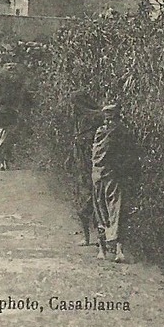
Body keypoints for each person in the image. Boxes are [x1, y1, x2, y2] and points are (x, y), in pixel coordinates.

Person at [90, 100, 132, 262]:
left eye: (111, 118)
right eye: (107, 118)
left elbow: (128, 155)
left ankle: (118, 250)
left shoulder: (120, 133)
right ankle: (103, 249)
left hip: (113, 176)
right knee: (103, 211)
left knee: (116, 210)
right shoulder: (102, 133)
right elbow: (96, 155)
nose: (108, 122)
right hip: (100, 176)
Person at [69, 92, 105, 247]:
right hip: (81, 166)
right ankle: (87, 236)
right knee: (82, 201)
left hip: (94, 166)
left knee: (96, 201)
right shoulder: (78, 119)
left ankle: (99, 238)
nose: (72, 107)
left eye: (74, 104)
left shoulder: (96, 118)